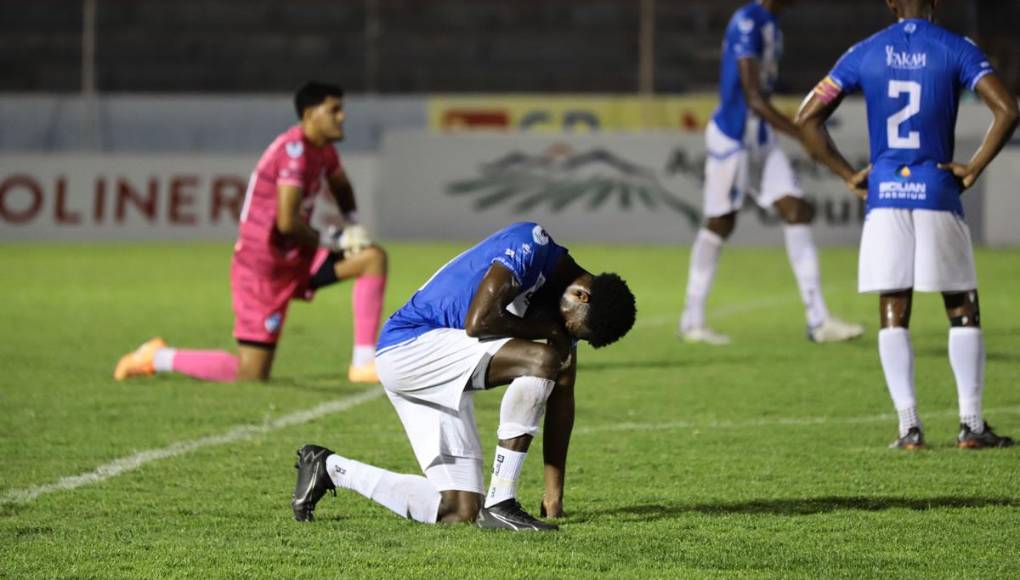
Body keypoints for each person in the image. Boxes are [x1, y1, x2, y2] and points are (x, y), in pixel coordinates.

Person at [290, 222, 637, 531]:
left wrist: (553, 496)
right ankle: (502, 502)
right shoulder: (531, 244)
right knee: (543, 359)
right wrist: (548, 331)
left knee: (460, 509)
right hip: (409, 345)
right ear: (581, 296)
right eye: (572, 326)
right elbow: (478, 321)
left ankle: (328, 467)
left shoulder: (564, 310)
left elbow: (562, 396)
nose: (566, 332)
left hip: (432, 368)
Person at [796, 0, 1018, 448]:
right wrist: (974, 167)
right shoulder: (956, 47)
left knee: (894, 304)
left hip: (885, 193)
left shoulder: (864, 51)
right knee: (962, 304)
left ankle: (909, 427)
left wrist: (847, 174)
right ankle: (971, 424)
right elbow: (1008, 109)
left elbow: (806, 118)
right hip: (936, 188)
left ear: (890, 2)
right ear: (935, 2)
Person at [114, 82, 388, 384]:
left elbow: (341, 186)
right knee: (251, 372)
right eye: (334, 110)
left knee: (371, 258)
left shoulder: (324, 151)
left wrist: (352, 222)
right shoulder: (293, 152)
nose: (342, 116)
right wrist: (336, 239)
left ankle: (363, 363)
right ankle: (155, 357)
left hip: (299, 257)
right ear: (310, 114)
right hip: (264, 268)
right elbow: (287, 223)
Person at [679, 0, 864, 345]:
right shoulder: (747, 20)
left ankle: (818, 320)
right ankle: (692, 319)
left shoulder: (772, 24)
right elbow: (753, 97)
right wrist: (802, 134)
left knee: (797, 210)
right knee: (721, 222)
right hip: (733, 136)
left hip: (760, 136)